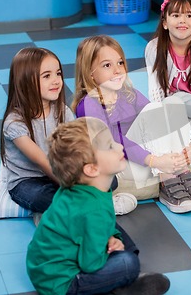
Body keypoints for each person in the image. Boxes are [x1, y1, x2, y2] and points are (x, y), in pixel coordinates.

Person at [26, 117, 170, 295]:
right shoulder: (92, 208)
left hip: (41, 271)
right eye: (110, 146)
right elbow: (91, 263)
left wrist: (110, 238)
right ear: (92, 169)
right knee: (128, 263)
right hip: (62, 284)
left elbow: (87, 231)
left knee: (120, 249)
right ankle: (119, 289)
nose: (119, 146)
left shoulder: (77, 190)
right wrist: (106, 247)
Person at [72, 35, 191, 214]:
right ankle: (168, 179)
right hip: (120, 164)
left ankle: (181, 171)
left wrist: (187, 146)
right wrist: (155, 160)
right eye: (107, 65)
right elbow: (112, 143)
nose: (117, 70)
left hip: (145, 159)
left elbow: (160, 120)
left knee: (171, 104)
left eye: (120, 63)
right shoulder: (89, 104)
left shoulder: (130, 93)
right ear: (90, 72)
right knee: (155, 109)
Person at [0, 47, 135, 221]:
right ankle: (97, 206)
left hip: (62, 172)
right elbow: (43, 162)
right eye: (47, 76)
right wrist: (83, 186)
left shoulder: (63, 111)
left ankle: (71, 209)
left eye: (58, 74)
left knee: (111, 179)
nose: (56, 81)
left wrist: (92, 174)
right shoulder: (14, 123)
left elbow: (79, 147)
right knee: (41, 197)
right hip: (29, 180)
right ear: (25, 81)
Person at [146, 0, 191, 136]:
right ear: (165, 23)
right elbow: (155, 88)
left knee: (178, 99)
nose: (182, 20)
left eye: (189, 16)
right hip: (170, 108)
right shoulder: (154, 48)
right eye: (176, 15)